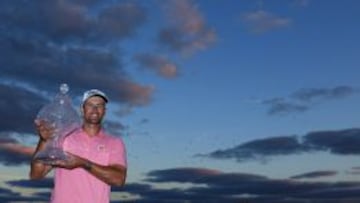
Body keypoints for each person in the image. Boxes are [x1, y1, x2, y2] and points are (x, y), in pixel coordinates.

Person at [30, 89, 127, 203]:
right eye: (90, 105)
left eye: (99, 105)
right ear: (82, 109)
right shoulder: (64, 136)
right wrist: (43, 140)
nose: (94, 109)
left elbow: (118, 179)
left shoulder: (114, 142)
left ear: (104, 111)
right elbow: (36, 174)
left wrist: (83, 163)